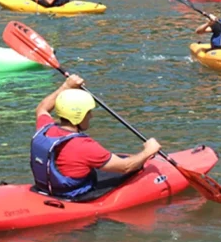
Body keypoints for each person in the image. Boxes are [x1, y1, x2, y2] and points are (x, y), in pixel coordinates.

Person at [31, 74, 161, 199]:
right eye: (89, 112)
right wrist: (149, 151)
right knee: (133, 168)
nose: (91, 116)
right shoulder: (84, 146)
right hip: (73, 194)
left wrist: (66, 86)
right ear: (80, 116)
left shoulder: (44, 128)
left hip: (48, 188)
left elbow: (42, 108)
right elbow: (125, 167)